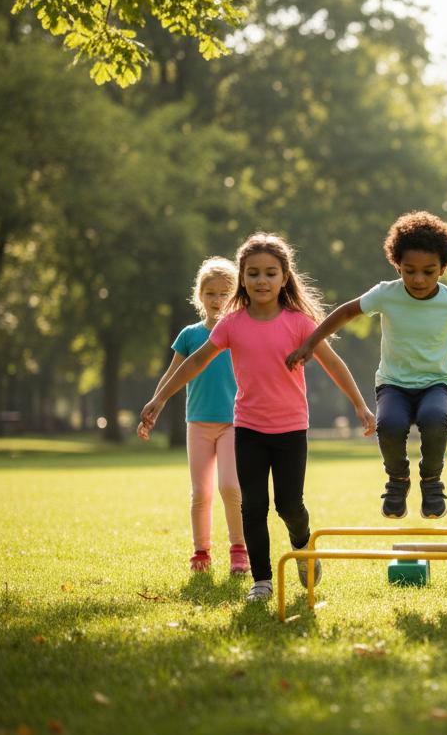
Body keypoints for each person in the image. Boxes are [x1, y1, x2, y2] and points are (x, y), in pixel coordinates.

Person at [140, 233, 376, 603]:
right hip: (247, 428)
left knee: (289, 505)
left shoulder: (298, 322)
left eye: (270, 273)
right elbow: (196, 361)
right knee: (253, 505)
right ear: (242, 279)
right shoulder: (231, 324)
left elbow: (333, 363)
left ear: (285, 277)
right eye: (253, 274)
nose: (261, 281)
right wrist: (160, 398)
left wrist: (360, 405)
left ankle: (302, 545)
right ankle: (262, 580)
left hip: (291, 430)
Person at [286, 211, 447, 520]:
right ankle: (398, 481)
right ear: (397, 264)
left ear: (443, 267)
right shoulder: (387, 293)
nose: (419, 279)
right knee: (390, 425)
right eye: (409, 270)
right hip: (394, 383)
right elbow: (345, 312)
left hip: (436, 381)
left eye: (429, 271)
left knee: (435, 419)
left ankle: (431, 481)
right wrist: (310, 342)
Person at [146, 256, 247, 574]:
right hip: (198, 424)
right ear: (199, 296)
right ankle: (201, 553)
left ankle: (239, 550)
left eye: (224, 293)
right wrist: (156, 403)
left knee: (230, 487)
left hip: (234, 422)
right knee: (201, 492)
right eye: (210, 293)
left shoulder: (242, 331)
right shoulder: (189, 335)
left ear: (236, 295)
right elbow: (172, 374)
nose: (217, 300)